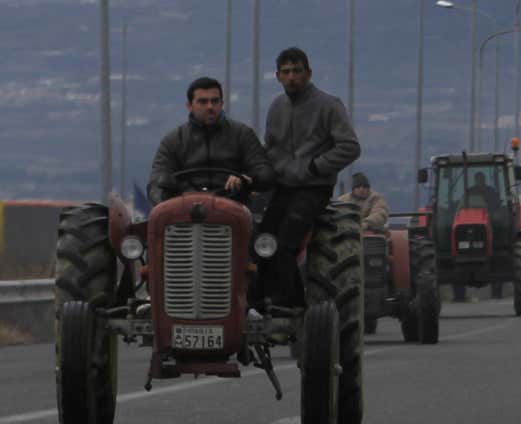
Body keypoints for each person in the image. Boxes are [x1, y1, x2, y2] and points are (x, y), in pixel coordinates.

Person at [260, 47, 361, 306]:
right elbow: (270, 148)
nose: (292, 77)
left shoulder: (329, 106)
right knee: (261, 242)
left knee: (286, 243)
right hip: (283, 188)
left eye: (297, 71)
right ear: (277, 76)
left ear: (308, 73)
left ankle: (291, 305)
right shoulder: (276, 108)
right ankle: (259, 298)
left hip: (313, 188)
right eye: (286, 72)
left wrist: (317, 167)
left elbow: (350, 147)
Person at [147, 76, 275, 205]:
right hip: (185, 211)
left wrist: (247, 179)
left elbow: (265, 173)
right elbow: (156, 182)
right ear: (189, 106)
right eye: (203, 102)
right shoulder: (173, 141)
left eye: (215, 101)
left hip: (233, 208)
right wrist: (165, 201)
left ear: (222, 103)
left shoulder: (242, 134)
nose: (210, 107)